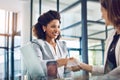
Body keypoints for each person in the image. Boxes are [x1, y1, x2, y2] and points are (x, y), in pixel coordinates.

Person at [69, 0, 120, 79]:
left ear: (112, 10)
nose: (102, 16)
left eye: (102, 10)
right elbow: (108, 69)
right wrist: (81, 65)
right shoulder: (111, 36)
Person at [31, 10, 77, 79]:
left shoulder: (63, 45)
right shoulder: (36, 44)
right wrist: (62, 62)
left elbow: (68, 70)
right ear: (44, 28)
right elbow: (37, 67)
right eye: (53, 26)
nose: (57, 30)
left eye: (58, 27)